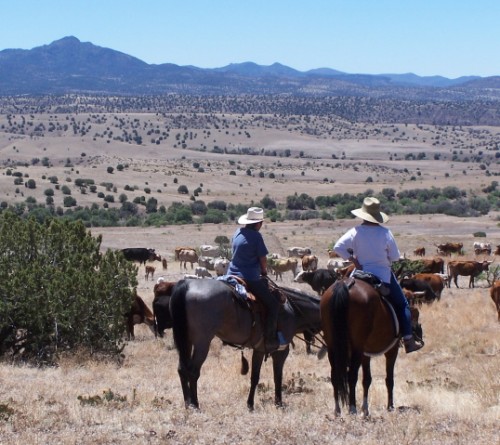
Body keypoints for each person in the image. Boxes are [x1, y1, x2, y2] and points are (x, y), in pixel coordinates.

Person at [333, 197, 423, 353]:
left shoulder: (355, 231)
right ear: (377, 216)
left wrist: (354, 260)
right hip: (383, 275)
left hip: (359, 274)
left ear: (363, 215)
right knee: (403, 305)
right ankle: (408, 339)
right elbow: (395, 257)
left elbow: (338, 247)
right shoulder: (385, 233)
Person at [226, 207, 285, 352]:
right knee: (273, 305)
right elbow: (263, 259)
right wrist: (264, 271)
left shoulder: (237, 232)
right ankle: (270, 339)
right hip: (249, 277)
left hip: (231, 274)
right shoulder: (256, 237)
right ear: (258, 223)